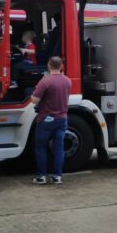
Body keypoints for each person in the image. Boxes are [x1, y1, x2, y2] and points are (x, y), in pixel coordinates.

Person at [30, 56, 72, 185]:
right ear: (61, 67)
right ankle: (57, 177)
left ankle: (41, 177)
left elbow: (34, 100)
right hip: (62, 119)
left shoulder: (45, 81)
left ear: (49, 65)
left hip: (46, 120)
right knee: (59, 148)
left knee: (41, 147)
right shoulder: (67, 81)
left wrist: (34, 91)